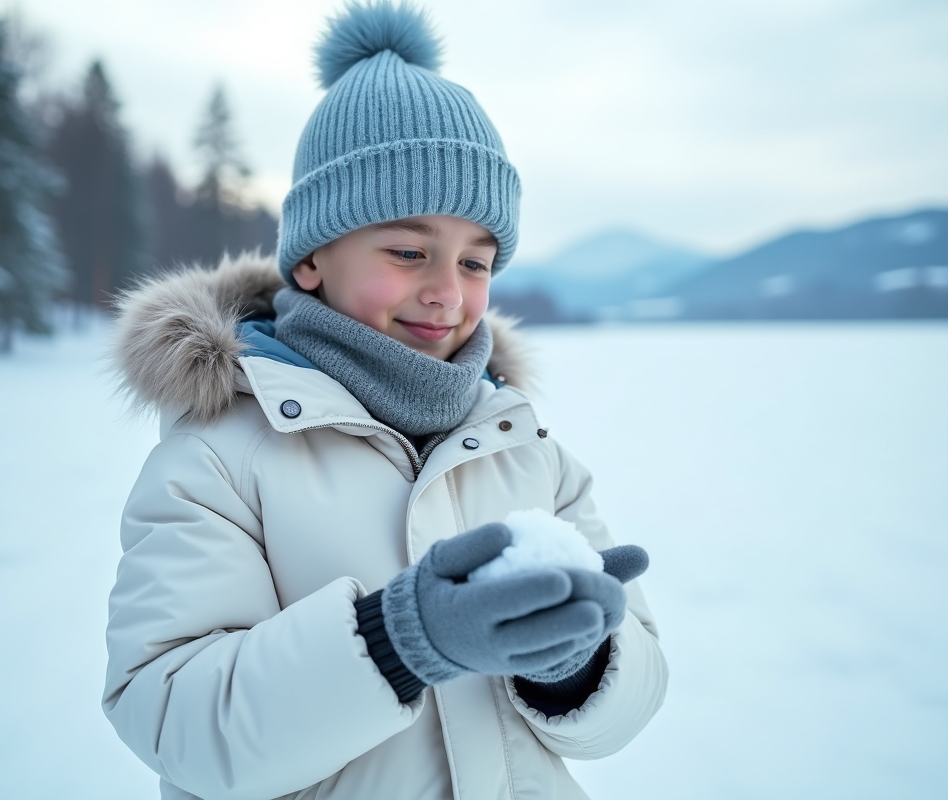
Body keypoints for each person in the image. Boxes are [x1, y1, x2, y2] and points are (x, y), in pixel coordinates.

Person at [103, 3, 668, 798]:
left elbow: (632, 703)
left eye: (476, 263)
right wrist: (396, 640)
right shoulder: (219, 455)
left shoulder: (526, 449)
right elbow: (176, 721)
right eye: (408, 252)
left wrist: (581, 662)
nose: (446, 292)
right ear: (309, 260)